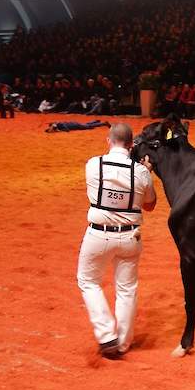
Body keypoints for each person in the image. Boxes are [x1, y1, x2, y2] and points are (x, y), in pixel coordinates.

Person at [77, 123, 157, 359]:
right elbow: (150, 205)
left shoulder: (93, 165)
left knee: (88, 281)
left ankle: (106, 334)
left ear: (108, 140)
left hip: (98, 234)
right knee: (126, 289)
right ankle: (122, 343)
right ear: (132, 144)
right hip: (130, 236)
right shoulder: (141, 172)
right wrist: (144, 173)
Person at [45, 120, 110, 133]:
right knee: (86, 124)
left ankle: (103, 123)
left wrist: (58, 131)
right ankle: (95, 121)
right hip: (74, 124)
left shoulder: (59, 124)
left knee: (88, 126)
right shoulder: (58, 124)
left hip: (75, 125)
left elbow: (67, 130)